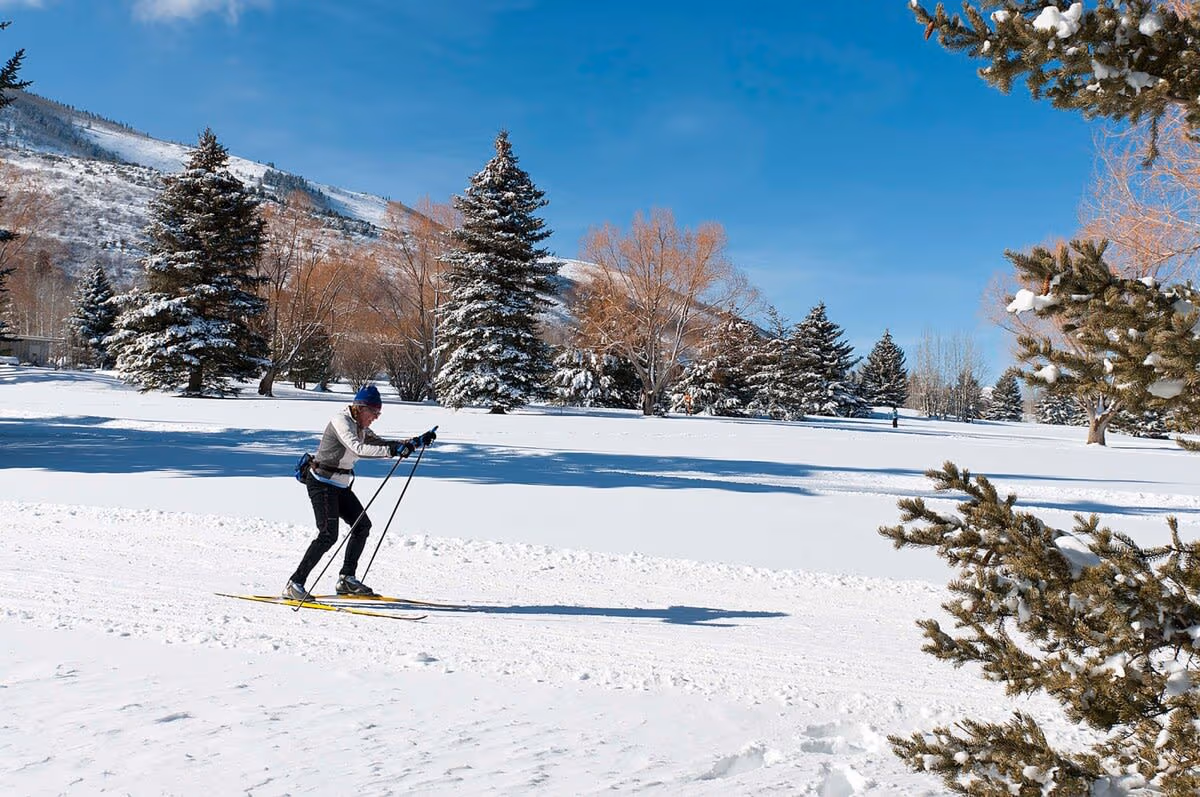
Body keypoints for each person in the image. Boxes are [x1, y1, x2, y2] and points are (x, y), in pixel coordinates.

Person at [284, 385, 436, 600]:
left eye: (378, 414)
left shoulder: (360, 426)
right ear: (360, 408)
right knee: (328, 535)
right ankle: (295, 583)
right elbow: (358, 449)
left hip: (340, 484)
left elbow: (380, 443)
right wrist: (394, 450)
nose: (375, 418)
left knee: (362, 525)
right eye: (374, 413)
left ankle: (347, 579)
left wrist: (414, 441)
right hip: (321, 482)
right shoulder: (342, 422)